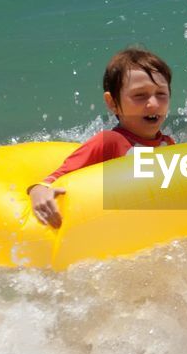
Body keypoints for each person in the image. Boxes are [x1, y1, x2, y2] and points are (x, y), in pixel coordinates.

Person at [28, 47, 175, 227]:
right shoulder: (109, 142)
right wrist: (38, 191)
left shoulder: (167, 143)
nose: (153, 104)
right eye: (139, 95)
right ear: (112, 103)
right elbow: (58, 177)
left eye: (161, 94)